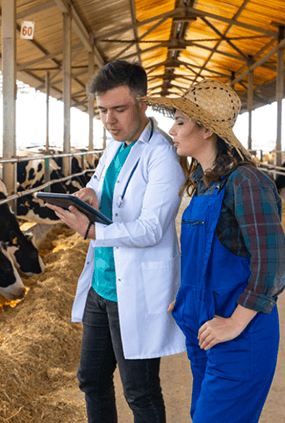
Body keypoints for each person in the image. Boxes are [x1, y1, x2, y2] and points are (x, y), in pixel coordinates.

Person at [46, 60, 186, 422]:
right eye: (103, 111)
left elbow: (152, 228)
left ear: (142, 104)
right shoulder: (116, 144)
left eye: (118, 109)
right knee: (91, 379)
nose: (109, 120)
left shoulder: (163, 156)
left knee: (140, 391)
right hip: (102, 284)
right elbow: (99, 177)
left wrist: (92, 231)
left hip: (134, 289)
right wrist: (89, 193)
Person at [140, 79, 285, 422]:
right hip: (204, 332)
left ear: (206, 130)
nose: (171, 131)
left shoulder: (246, 182)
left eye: (179, 122)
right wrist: (188, 295)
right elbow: (206, 255)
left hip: (240, 337)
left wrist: (235, 322)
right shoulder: (205, 184)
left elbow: (274, 262)